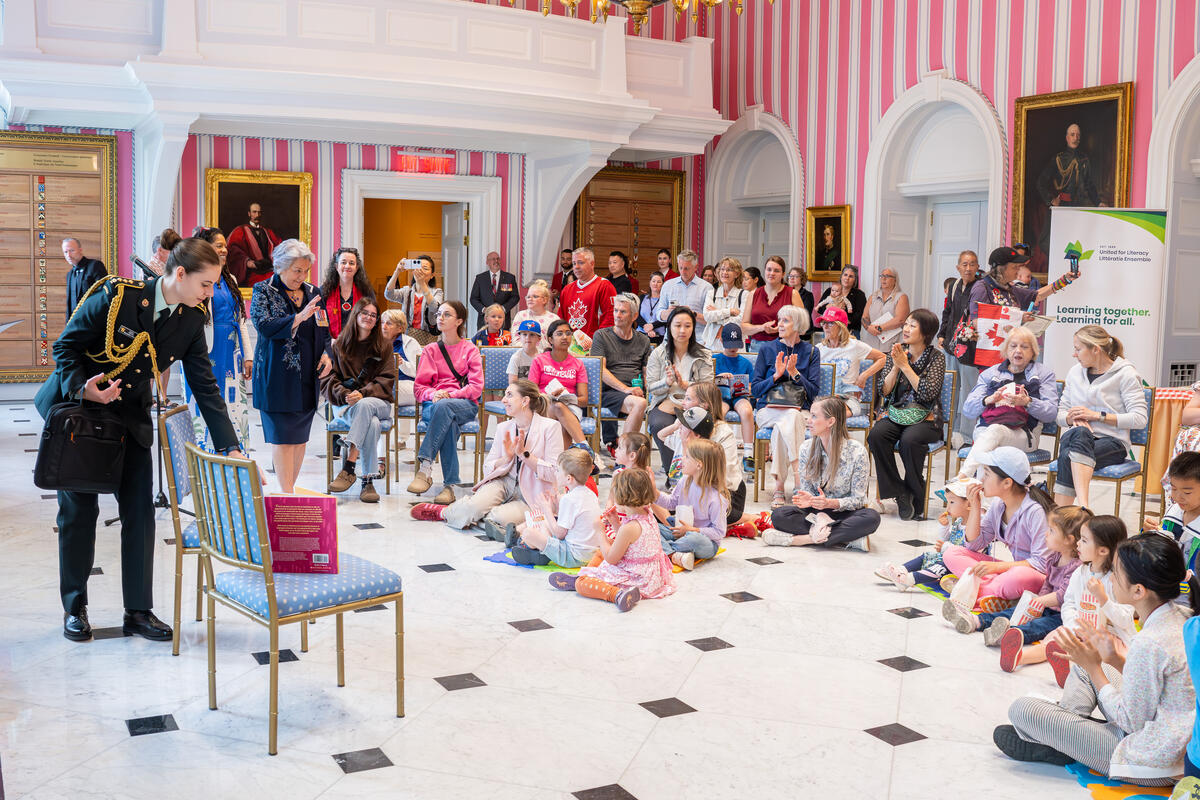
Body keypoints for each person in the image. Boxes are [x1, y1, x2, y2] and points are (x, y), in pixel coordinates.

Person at [35, 237, 247, 642]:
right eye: (205, 284)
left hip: (129, 419)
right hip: (82, 413)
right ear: (179, 274)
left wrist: (228, 444)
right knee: (79, 513)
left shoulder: (188, 319)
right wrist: (84, 388)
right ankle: (74, 606)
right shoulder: (118, 296)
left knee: (140, 514)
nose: (209, 294)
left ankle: (138, 610)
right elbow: (65, 347)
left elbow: (205, 385)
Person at [997, 533, 1197, 787]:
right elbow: (1159, 688)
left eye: (1116, 573)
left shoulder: (1151, 641)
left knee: (1023, 709)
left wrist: (1094, 669)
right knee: (1092, 664)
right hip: (1164, 737)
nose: (1110, 578)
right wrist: (1111, 659)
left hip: (1149, 760)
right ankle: (1067, 736)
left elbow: (1131, 721)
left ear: (1138, 591)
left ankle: (1061, 741)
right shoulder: (1181, 615)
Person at [413, 379, 563, 535]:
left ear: (525, 401)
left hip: (532, 495)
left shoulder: (551, 427)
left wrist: (525, 455)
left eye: (510, 395)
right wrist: (506, 458)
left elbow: (555, 473)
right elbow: (488, 466)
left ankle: (463, 514)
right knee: (473, 508)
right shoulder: (503, 427)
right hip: (504, 482)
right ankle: (443, 513)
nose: (504, 400)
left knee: (496, 518)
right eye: (505, 395)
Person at [943, 506, 1084, 666]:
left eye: (1051, 531)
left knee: (1038, 625)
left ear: (1069, 539)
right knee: (1015, 612)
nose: (1046, 534)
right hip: (1046, 604)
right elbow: (1048, 584)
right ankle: (976, 620)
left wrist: (1039, 602)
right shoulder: (1054, 556)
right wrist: (1037, 602)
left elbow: (1063, 596)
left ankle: (1008, 635)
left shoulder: (1077, 567)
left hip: (1064, 615)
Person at [249, 239, 332, 495]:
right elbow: (264, 325)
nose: (302, 275)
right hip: (277, 378)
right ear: (280, 266)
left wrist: (327, 355)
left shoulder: (312, 291)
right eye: (297, 270)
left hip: (308, 378)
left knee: (299, 440)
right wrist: (297, 317)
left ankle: (289, 492)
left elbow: (324, 330)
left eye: (306, 270)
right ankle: (285, 498)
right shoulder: (263, 290)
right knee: (283, 439)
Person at [939, 447, 1056, 608]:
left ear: (1007, 482)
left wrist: (997, 567)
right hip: (1012, 571)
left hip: (1036, 577)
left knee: (1017, 576)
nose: (981, 480)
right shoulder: (998, 505)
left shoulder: (1035, 512)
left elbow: (1041, 564)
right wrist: (975, 506)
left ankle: (974, 591)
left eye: (987, 474)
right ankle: (994, 593)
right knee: (952, 553)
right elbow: (974, 544)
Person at [761, 396, 880, 551]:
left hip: (844, 513)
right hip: (815, 514)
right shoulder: (806, 448)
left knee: (871, 518)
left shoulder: (857, 451)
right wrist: (809, 500)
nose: (808, 420)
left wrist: (830, 503)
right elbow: (807, 491)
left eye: (814, 416)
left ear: (831, 422)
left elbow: (858, 500)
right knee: (779, 515)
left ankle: (804, 539)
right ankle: (844, 539)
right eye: (810, 415)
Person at [548, 468, 676, 612]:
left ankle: (617, 594)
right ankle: (584, 575)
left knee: (583, 583)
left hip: (637, 578)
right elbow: (632, 543)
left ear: (622, 496)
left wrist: (600, 532)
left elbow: (611, 559)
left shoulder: (630, 527)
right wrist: (616, 523)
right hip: (650, 574)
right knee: (600, 552)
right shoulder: (647, 513)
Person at [865, 309, 947, 521]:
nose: (906, 329)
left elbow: (928, 393)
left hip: (927, 418)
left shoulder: (936, 358)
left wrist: (905, 367)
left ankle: (915, 494)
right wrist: (895, 367)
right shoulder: (898, 351)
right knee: (876, 435)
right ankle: (900, 493)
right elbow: (884, 391)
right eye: (906, 324)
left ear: (926, 332)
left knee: (909, 440)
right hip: (898, 413)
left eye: (913, 325)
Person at [1053, 325, 1146, 508]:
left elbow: (1140, 419)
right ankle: (1082, 509)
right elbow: (1060, 414)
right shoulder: (1074, 373)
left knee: (1067, 455)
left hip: (1113, 442)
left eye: (1078, 349)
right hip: (1077, 437)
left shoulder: (1126, 374)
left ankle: (1062, 517)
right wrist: (1073, 418)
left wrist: (1097, 416)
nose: (1074, 354)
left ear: (1095, 349)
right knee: (1080, 433)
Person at [1043, 514, 1135, 686]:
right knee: (1056, 637)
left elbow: (1125, 618)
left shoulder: (1118, 578)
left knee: (1106, 651)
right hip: (1080, 629)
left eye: (1084, 540)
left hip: (1109, 636)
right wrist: (1074, 626)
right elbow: (1069, 603)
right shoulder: (1080, 572)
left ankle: (1076, 673)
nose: (1077, 543)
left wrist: (1104, 599)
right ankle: (1019, 656)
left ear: (1103, 550)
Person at [957, 326, 1058, 480]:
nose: (1018, 351)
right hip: (985, 430)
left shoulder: (1043, 374)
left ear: (1033, 352)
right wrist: (988, 400)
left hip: (1024, 435)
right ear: (1005, 350)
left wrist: (1028, 402)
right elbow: (968, 410)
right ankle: (981, 496)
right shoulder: (990, 374)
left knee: (993, 438)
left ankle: (963, 480)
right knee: (991, 441)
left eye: (1024, 347)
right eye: (1013, 346)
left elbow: (1051, 413)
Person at [408, 300, 483, 506]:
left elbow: (476, 387)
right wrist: (434, 395)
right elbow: (419, 389)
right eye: (439, 314)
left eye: (447, 315)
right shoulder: (431, 350)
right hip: (435, 404)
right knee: (446, 420)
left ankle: (424, 467)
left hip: (463, 403)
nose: (440, 318)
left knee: (444, 408)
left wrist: (451, 395)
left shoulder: (470, 350)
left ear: (459, 321)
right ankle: (450, 486)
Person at [183, 226, 252, 448]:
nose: (224, 250)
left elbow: (240, 319)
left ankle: (232, 453)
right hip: (203, 348)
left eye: (225, 246)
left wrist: (248, 355)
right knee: (204, 400)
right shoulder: (195, 278)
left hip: (230, 351)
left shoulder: (230, 278)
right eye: (219, 245)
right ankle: (204, 451)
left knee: (232, 403)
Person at [322, 298, 396, 503]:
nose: (369, 318)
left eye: (373, 315)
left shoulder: (384, 346)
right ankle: (368, 482)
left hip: (378, 402)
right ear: (355, 315)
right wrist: (345, 394)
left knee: (365, 406)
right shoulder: (338, 346)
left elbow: (387, 379)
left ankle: (349, 465)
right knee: (370, 423)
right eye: (365, 313)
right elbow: (327, 379)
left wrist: (363, 393)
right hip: (346, 405)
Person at [750, 304, 821, 505]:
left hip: (800, 411)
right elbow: (755, 390)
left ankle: (779, 488)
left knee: (785, 426)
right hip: (767, 410)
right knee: (790, 419)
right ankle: (799, 479)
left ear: (798, 325)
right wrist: (776, 376)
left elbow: (814, 392)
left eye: (785, 320)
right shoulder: (767, 349)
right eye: (779, 320)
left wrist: (795, 374)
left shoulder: (811, 351)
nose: (779, 324)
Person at [657, 387, 746, 526]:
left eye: (688, 398)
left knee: (687, 515)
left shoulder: (716, 434)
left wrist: (687, 447)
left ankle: (745, 519)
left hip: (721, 492)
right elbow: (661, 435)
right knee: (649, 501)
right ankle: (677, 524)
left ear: (704, 405)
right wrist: (676, 427)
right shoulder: (685, 432)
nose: (683, 403)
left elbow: (717, 478)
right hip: (689, 492)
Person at [874, 477, 978, 590]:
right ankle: (900, 570)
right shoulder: (959, 522)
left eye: (952, 502)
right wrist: (944, 527)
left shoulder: (976, 528)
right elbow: (948, 539)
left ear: (969, 504)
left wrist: (946, 547)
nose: (948, 507)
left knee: (941, 567)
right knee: (926, 557)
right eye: (947, 502)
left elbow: (970, 552)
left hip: (962, 566)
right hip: (948, 557)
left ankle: (908, 579)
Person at [646, 307, 715, 471]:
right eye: (677, 325)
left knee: (696, 426)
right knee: (659, 424)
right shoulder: (658, 353)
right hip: (664, 403)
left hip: (695, 406)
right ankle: (674, 473)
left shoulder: (703, 354)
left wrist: (686, 385)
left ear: (693, 328)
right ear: (669, 326)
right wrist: (667, 382)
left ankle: (695, 471)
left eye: (687, 326)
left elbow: (708, 387)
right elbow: (651, 387)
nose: (682, 330)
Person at [510, 448, 603, 567]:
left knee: (528, 533)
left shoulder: (569, 499)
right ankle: (538, 548)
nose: (555, 473)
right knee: (546, 524)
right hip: (591, 554)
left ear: (569, 478)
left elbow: (560, 534)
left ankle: (535, 550)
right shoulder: (590, 494)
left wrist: (546, 509)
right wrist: (554, 507)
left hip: (573, 556)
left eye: (558, 470)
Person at [590, 293, 652, 451]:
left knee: (642, 402)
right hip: (608, 392)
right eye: (615, 310)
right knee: (640, 404)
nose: (617, 315)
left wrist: (649, 391)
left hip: (634, 391)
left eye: (623, 312)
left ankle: (621, 449)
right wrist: (626, 389)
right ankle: (624, 452)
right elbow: (600, 370)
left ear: (634, 316)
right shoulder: (601, 336)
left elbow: (647, 373)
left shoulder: (643, 340)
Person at [656, 436, 728, 570]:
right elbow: (671, 503)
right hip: (680, 531)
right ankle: (673, 553)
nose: (682, 458)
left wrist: (692, 530)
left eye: (687, 457)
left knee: (693, 539)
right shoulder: (685, 480)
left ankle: (663, 550)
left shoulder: (716, 499)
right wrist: (654, 491)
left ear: (699, 464)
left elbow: (719, 532)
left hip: (705, 541)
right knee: (652, 528)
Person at [968, 246, 1077, 334]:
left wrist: (1065, 280)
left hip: (1006, 353)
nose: (1018, 270)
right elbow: (977, 323)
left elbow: (1037, 295)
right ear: (1001, 268)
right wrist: (1017, 318)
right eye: (1015, 267)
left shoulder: (1009, 289)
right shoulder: (982, 288)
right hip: (986, 357)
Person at [938, 250, 982, 443]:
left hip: (970, 347)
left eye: (972, 264)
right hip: (951, 345)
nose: (968, 268)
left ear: (977, 267)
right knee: (951, 389)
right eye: (964, 264)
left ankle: (965, 435)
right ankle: (948, 432)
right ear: (958, 267)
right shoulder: (955, 285)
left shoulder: (980, 287)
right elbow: (948, 311)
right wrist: (941, 334)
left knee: (969, 390)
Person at [530, 319, 591, 452]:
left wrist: (569, 399)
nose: (565, 337)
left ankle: (560, 465)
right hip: (544, 405)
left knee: (561, 412)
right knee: (557, 407)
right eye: (560, 334)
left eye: (568, 333)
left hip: (571, 408)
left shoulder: (578, 364)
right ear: (550, 339)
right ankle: (585, 449)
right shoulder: (539, 361)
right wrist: (548, 396)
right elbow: (531, 394)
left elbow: (584, 400)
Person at [815, 306, 885, 419]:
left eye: (831, 323)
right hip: (823, 398)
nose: (826, 327)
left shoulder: (854, 345)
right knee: (823, 414)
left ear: (841, 327)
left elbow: (883, 358)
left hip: (847, 399)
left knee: (831, 415)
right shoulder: (818, 349)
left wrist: (864, 375)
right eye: (823, 323)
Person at [1144, 451, 1200, 577]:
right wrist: (1149, 532)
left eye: (1187, 492)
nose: (1178, 497)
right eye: (1174, 489)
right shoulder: (1174, 512)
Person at [714, 323, 756, 468]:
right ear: (721, 341)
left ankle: (748, 453)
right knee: (719, 412)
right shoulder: (714, 360)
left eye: (736, 344)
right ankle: (717, 449)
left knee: (746, 410)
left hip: (739, 396)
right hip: (720, 397)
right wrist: (719, 377)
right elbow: (706, 382)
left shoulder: (745, 363)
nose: (733, 348)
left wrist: (744, 385)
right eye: (729, 344)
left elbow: (752, 386)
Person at [741, 256, 802, 353]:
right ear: (764, 271)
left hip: (784, 345)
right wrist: (762, 327)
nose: (772, 273)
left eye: (776, 271)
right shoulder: (753, 294)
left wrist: (781, 328)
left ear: (783, 274)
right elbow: (744, 327)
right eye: (769, 269)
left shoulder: (793, 294)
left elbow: (802, 325)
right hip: (757, 347)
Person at [559, 247, 617, 339]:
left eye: (581, 263)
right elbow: (561, 320)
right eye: (574, 263)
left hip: (594, 345)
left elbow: (610, 318)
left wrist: (599, 342)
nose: (576, 267)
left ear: (592, 264)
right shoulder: (567, 289)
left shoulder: (604, 286)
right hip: (570, 345)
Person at [319, 247, 375, 340]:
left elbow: (373, 319)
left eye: (351, 263)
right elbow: (319, 322)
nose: (347, 266)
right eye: (343, 262)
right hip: (330, 347)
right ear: (336, 267)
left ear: (357, 268)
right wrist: (329, 342)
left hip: (359, 346)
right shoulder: (324, 291)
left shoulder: (366, 291)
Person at [381, 308, 419, 442]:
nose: (383, 326)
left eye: (389, 323)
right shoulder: (377, 343)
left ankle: (383, 444)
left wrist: (402, 363)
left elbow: (419, 372)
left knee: (384, 392)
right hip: (386, 386)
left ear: (400, 328)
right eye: (382, 323)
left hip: (410, 387)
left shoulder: (410, 343)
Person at [384, 255, 442, 339]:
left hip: (428, 339)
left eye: (425, 268)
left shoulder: (437, 292)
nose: (421, 270)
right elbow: (389, 294)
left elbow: (434, 308)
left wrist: (422, 284)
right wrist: (397, 271)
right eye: (418, 267)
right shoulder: (407, 291)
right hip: (407, 337)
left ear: (432, 275)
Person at [226, 201, 281, 287]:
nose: (257, 215)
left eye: (259, 212)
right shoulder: (240, 231)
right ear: (249, 214)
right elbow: (233, 250)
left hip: (269, 270)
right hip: (252, 273)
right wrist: (247, 262)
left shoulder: (268, 232)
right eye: (254, 212)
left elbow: (279, 246)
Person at [701, 256, 748, 349]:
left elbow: (741, 320)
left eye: (729, 270)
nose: (724, 272)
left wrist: (717, 312)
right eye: (722, 269)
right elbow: (707, 316)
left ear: (737, 274)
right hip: (713, 343)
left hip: (735, 343)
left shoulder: (744, 295)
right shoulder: (711, 293)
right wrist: (730, 311)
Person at [860, 267, 910, 351]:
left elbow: (900, 320)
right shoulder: (873, 297)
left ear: (895, 280)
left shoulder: (901, 297)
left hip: (892, 345)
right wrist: (868, 327)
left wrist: (880, 328)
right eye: (882, 276)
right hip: (872, 344)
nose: (883, 278)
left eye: (887, 276)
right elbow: (864, 317)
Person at [468, 250, 519, 329]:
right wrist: (484, 310)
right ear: (487, 262)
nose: (496, 261)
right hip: (484, 321)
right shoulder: (480, 278)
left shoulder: (509, 278)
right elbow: (473, 298)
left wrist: (503, 308)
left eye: (498, 259)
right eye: (493, 259)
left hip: (503, 321)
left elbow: (515, 297)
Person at [657, 250, 710, 322]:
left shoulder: (707, 288)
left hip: (697, 332)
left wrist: (692, 314)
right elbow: (658, 314)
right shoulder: (668, 285)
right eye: (680, 268)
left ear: (696, 267)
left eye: (686, 268)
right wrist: (669, 313)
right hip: (672, 332)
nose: (683, 272)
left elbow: (711, 320)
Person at [62, 237, 107, 320]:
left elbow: (103, 295)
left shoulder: (95, 266)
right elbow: (70, 304)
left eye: (71, 251)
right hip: (75, 323)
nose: (68, 255)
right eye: (65, 252)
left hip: (93, 320)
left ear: (80, 250)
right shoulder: (70, 274)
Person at [509, 279, 558, 351]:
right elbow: (516, 340)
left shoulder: (554, 319)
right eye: (528, 297)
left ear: (544, 300)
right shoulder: (521, 316)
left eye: (535, 296)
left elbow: (557, 342)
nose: (530, 299)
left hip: (546, 358)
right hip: (524, 356)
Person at [818, 266, 867, 336]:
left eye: (851, 276)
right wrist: (828, 307)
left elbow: (859, 314)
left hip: (850, 332)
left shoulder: (859, 295)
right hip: (829, 331)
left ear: (855, 280)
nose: (847, 278)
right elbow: (819, 309)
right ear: (841, 277)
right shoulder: (830, 290)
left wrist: (843, 320)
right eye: (845, 275)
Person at [786, 266, 816, 342]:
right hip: (786, 330)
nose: (792, 278)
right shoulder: (784, 293)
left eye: (795, 276)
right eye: (790, 276)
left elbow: (805, 313)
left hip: (803, 333)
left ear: (802, 279)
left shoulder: (808, 295)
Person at [638, 271, 667, 344]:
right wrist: (646, 327)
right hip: (641, 334)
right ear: (650, 283)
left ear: (663, 284)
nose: (655, 284)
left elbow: (666, 318)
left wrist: (652, 326)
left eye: (659, 282)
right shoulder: (642, 298)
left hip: (659, 336)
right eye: (653, 281)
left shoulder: (666, 301)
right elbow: (636, 316)